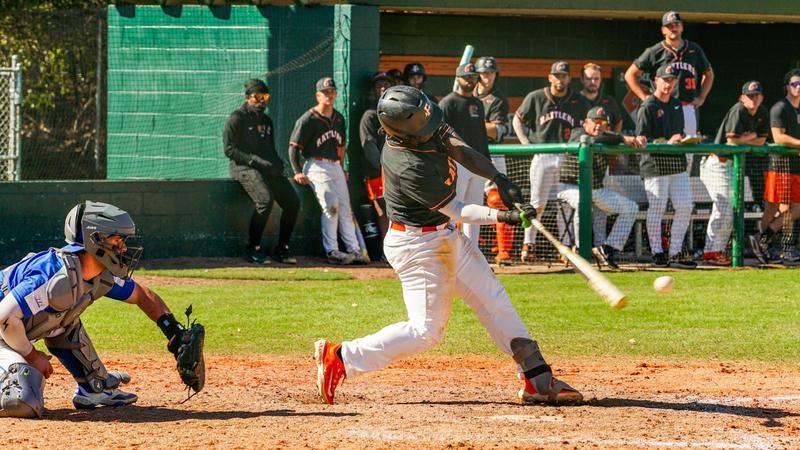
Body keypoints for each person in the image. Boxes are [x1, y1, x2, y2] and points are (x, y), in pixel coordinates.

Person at [313, 86, 583, 406]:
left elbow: (460, 148)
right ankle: (340, 356)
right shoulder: (405, 163)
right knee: (426, 331)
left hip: (443, 235)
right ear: (403, 129)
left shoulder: (423, 127)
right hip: (418, 245)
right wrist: (506, 216)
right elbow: (458, 209)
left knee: (493, 298)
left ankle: (537, 379)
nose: (433, 131)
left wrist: (497, 176)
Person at [0, 201, 204, 417]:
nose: (124, 248)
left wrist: (174, 331)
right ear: (94, 239)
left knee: (65, 317)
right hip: (3, 326)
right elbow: (4, 317)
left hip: (8, 330)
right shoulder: (53, 276)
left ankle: (94, 387)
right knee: (21, 398)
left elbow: (143, 296)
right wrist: (31, 356)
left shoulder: (99, 276)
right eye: (118, 240)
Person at [512, 61, 590, 262]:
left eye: (563, 75)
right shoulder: (537, 97)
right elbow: (517, 119)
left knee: (565, 204)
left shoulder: (578, 100)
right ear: (550, 77)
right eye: (557, 75)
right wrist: (525, 143)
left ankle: (565, 248)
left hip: (567, 156)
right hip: (543, 154)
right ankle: (528, 244)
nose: (560, 79)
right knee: (537, 203)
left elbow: (588, 124)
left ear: (569, 78)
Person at [289, 77, 367, 265]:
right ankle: (332, 250)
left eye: (332, 91)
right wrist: (297, 171)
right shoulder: (307, 119)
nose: (329, 95)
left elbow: (341, 146)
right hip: (316, 164)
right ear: (318, 95)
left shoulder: (339, 118)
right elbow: (293, 147)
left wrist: (342, 166)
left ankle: (355, 250)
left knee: (345, 210)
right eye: (325, 92)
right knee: (331, 206)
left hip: (335, 166)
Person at [223, 78, 300, 265]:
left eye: (265, 97)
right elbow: (229, 149)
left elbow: (269, 148)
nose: (262, 101)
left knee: (292, 202)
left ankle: (282, 248)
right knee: (265, 201)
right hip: (243, 167)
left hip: (265, 168)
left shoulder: (266, 120)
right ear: (248, 98)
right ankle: (253, 247)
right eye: (258, 97)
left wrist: (277, 165)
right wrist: (253, 160)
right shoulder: (237, 118)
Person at [558, 106, 645, 268]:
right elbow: (593, 141)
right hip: (570, 187)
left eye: (603, 122)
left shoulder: (609, 137)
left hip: (596, 189)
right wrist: (622, 138)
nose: (598, 125)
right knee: (582, 203)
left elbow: (608, 138)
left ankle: (607, 249)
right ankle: (581, 249)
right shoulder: (578, 133)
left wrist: (631, 139)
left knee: (631, 208)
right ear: (585, 123)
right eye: (595, 122)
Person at [635, 65, 696, 268]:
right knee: (658, 207)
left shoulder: (677, 105)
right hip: (655, 165)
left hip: (676, 164)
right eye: (665, 80)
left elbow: (677, 133)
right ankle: (657, 252)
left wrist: (683, 140)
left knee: (686, 205)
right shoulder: (648, 105)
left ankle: (676, 251)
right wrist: (665, 141)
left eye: (672, 80)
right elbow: (642, 139)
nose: (669, 84)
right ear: (656, 80)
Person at [703, 81, 768, 266]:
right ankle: (711, 252)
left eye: (757, 95)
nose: (754, 99)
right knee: (724, 208)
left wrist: (745, 139)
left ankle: (716, 251)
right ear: (742, 97)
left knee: (731, 210)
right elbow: (731, 142)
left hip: (734, 166)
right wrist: (750, 137)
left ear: (762, 97)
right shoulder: (738, 110)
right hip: (718, 164)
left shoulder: (762, 112)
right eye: (750, 95)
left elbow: (762, 140)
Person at [625, 11, 713, 137]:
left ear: (682, 27)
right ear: (663, 30)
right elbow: (630, 74)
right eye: (669, 25)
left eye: (676, 24)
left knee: (689, 150)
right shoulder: (655, 51)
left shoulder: (694, 49)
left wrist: (701, 97)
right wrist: (644, 96)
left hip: (687, 105)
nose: (673, 28)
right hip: (662, 107)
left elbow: (709, 74)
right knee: (661, 145)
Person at [749, 69, 800, 266]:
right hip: (779, 165)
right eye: (794, 83)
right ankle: (766, 243)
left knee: (792, 207)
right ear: (787, 86)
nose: (798, 87)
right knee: (773, 206)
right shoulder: (780, 108)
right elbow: (778, 137)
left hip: (795, 166)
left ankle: (765, 239)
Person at [439, 62, 490, 246]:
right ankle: (450, 250)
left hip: (476, 163)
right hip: (457, 163)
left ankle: (473, 254)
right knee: (453, 210)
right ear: (457, 78)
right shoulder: (448, 102)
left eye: (473, 77)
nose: (470, 81)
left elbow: (482, 136)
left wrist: (488, 166)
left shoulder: (477, 103)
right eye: (466, 77)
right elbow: (440, 136)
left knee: (475, 212)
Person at [359, 71, 394, 238]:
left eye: (386, 85)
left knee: (397, 211)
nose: (382, 88)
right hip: (377, 173)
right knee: (384, 211)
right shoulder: (370, 115)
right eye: (379, 85)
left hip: (396, 171)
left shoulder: (395, 115)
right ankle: (385, 252)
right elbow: (368, 145)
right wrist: (383, 167)